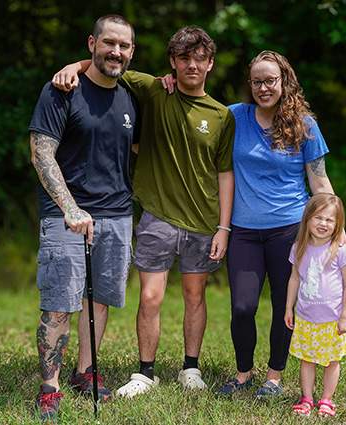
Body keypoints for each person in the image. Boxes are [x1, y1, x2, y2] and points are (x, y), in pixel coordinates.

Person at [52, 26, 235, 398]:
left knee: (194, 297)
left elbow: (224, 173)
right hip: (156, 215)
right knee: (149, 297)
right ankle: (145, 373)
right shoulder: (153, 89)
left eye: (199, 58)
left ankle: (191, 368)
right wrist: (74, 65)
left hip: (202, 220)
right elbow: (105, 67)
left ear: (210, 63)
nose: (191, 65)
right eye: (183, 58)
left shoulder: (221, 115)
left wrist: (224, 227)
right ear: (172, 61)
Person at [28, 14, 138, 422]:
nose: (116, 51)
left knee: (101, 299)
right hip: (66, 215)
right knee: (59, 303)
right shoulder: (62, 91)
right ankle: (49, 389)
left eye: (124, 46)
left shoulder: (130, 94)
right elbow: (41, 153)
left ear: (131, 52)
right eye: (109, 42)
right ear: (92, 42)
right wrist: (70, 208)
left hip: (118, 216)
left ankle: (84, 372)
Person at [217, 51, 341, 397]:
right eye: (256, 81)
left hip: (290, 230)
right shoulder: (233, 117)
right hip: (242, 230)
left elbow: (320, 183)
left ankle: (273, 375)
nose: (263, 87)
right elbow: (193, 110)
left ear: (284, 81)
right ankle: (243, 373)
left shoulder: (304, 124)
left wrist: (337, 229)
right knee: (243, 307)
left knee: (284, 307)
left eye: (270, 80)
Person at [283, 193, 346, 417]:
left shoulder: (340, 250)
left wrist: (345, 315)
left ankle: (326, 399)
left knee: (331, 361)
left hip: (333, 319)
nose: (323, 223)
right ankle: (307, 399)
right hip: (306, 317)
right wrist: (288, 308)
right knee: (307, 359)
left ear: (337, 224)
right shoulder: (299, 248)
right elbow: (294, 279)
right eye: (318, 218)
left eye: (329, 220)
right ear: (307, 220)